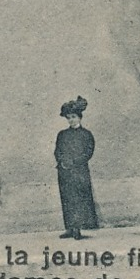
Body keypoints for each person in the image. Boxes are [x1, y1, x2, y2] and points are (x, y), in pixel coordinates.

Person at [55, 96, 100, 239]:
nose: (71, 120)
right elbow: (57, 151)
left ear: (80, 118)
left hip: (80, 172)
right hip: (65, 172)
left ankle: (78, 229)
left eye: (74, 117)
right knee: (67, 199)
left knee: (80, 200)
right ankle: (69, 228)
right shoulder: (62, 135)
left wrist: (74, 162)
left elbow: (88, 152)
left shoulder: (86, 135)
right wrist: (62, 162)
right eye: (69, 118)